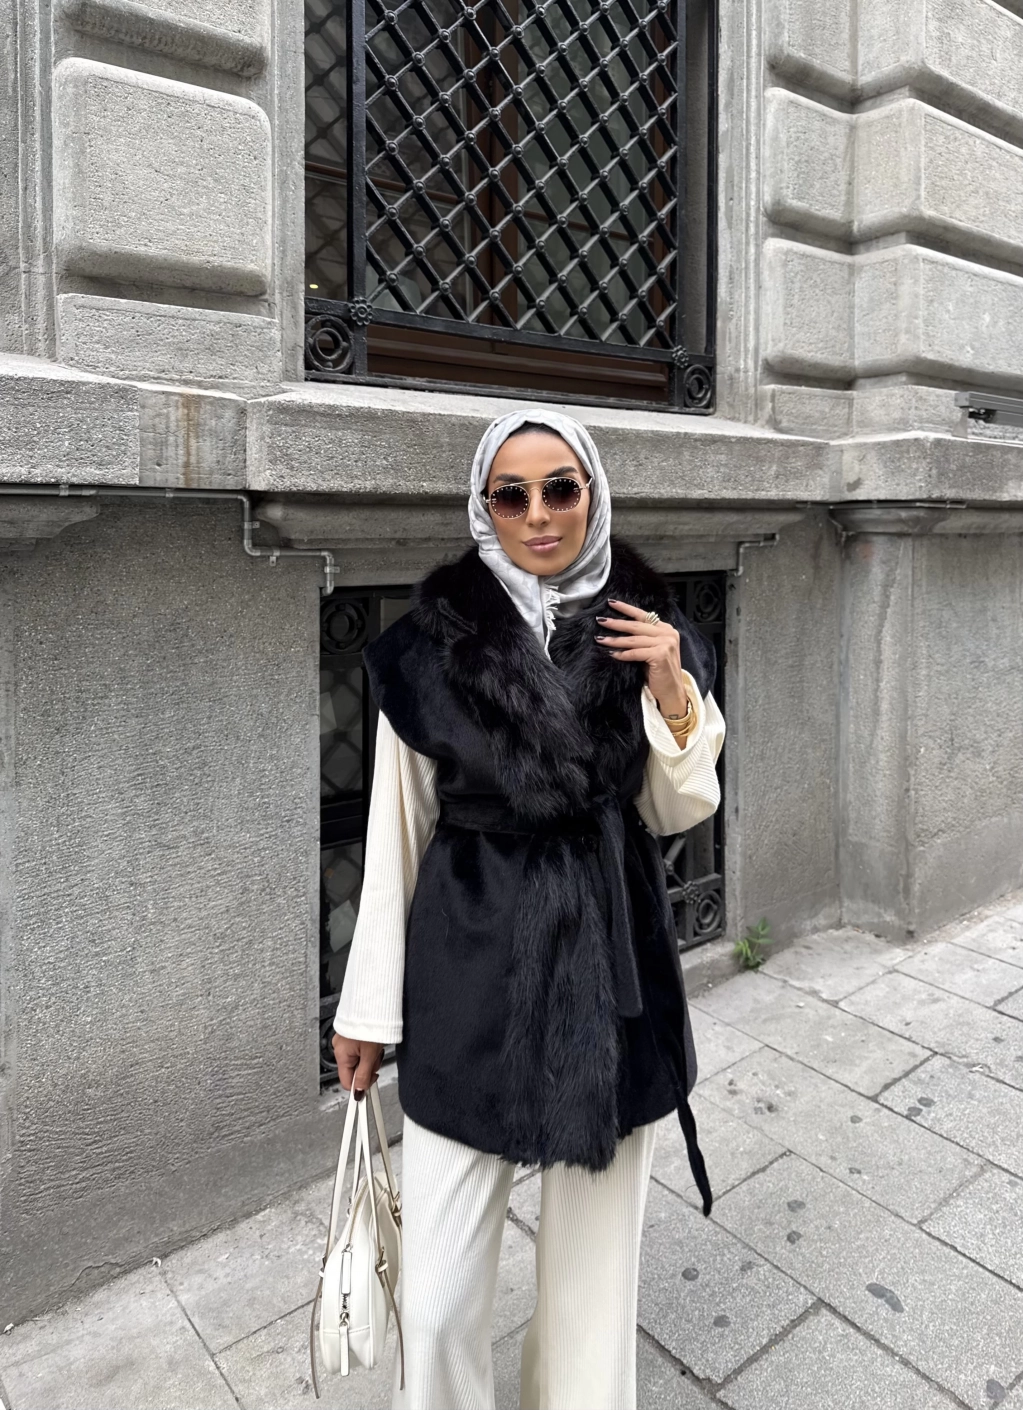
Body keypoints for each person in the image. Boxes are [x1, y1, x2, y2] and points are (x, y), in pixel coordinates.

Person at [332, 408, 726, 1410]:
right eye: (511, 494)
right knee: (434, 1302)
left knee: (592, 1290)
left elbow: (676, 809)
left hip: (611, 963)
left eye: (561, 488)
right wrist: (367, 1010)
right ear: (483, 506)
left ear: (593, 494)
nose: (539, 514)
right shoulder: (430, 647)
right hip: (471, 961)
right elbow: (397, 834)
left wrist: (671, 687)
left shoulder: (648, 625)